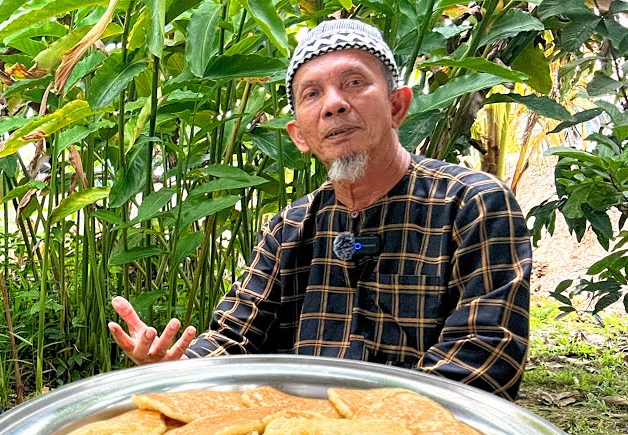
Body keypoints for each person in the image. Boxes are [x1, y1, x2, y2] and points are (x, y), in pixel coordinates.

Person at [108, 19, 531, 399]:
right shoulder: (291, 226)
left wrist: (363, 431)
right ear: (299, 135)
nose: (334, 104)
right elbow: (235, 336)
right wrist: (176, 368)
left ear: (397, 105)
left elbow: (483, 358)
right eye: (312, 94)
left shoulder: (472, 204)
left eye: (354, 83)